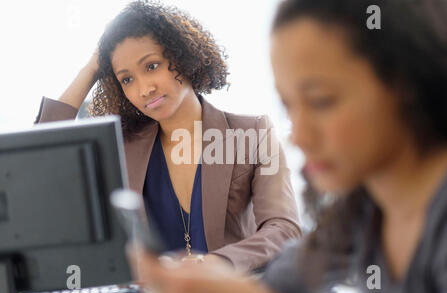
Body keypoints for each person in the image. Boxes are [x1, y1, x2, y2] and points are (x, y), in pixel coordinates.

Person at [127, 0, 447, 293]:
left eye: (321, 101)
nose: (299, 137)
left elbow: (280, 238)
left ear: (408, 83)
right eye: (288, 106)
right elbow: (279, 288)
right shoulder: (364, 210)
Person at [34, 1, 301, 272]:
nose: (144, 89)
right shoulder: (120, 145)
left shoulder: (252, 134)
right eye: (126, 79)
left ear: (182, 56)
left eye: (151, 66)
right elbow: (40, 158)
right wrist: (90, 69)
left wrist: (217, 263)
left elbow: (284, 229)